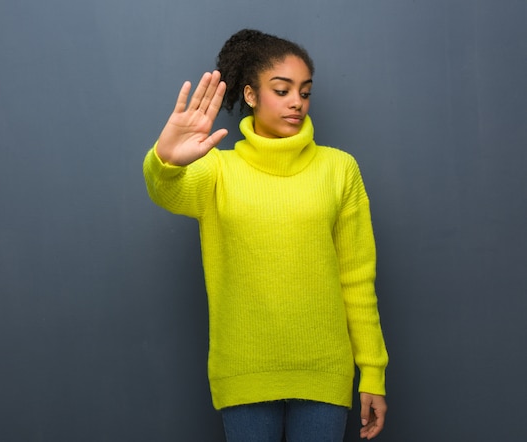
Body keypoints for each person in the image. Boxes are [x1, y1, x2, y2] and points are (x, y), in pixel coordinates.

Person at [142, 29, 389, 441]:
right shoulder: (217, 170)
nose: (297, 102)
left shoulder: (339, 169)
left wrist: (373, 373)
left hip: (324, 368)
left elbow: (357, 279)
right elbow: (166, 191)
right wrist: (164, 160)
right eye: (282, 89)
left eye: (305, 92)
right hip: (244, 368)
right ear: (251, 95)